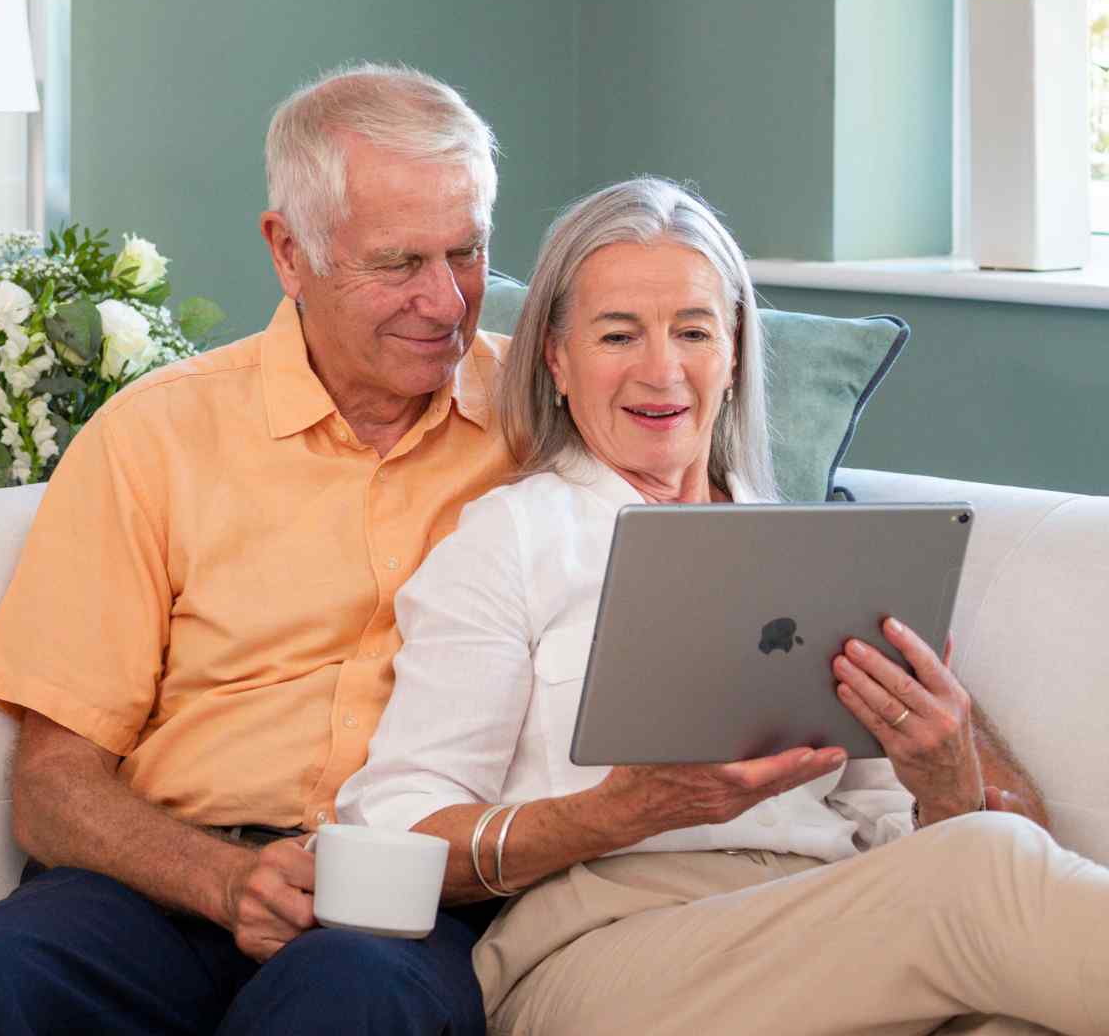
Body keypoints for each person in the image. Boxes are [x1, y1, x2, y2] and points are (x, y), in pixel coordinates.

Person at [338, 176, 1109, 1036]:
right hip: (605, 949)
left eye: (694, 331)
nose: (660, 370)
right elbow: (399, 828)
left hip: (839, 924)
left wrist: (945, 778)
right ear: (557, 359)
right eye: (618, 334)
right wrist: (612, 815)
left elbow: (916, 847)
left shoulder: (825, 555)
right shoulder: (509, 539)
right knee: (984, 872)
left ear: (735, 353)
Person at [0, 63, 515, 1033]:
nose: (447, 302)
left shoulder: (543, 422)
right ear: (289, 252)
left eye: (466, 253)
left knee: (352, 998)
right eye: (397, 264)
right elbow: (52, 788)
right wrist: (223, 881)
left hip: (410, 906)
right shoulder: (155, 436)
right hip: (169, 884)